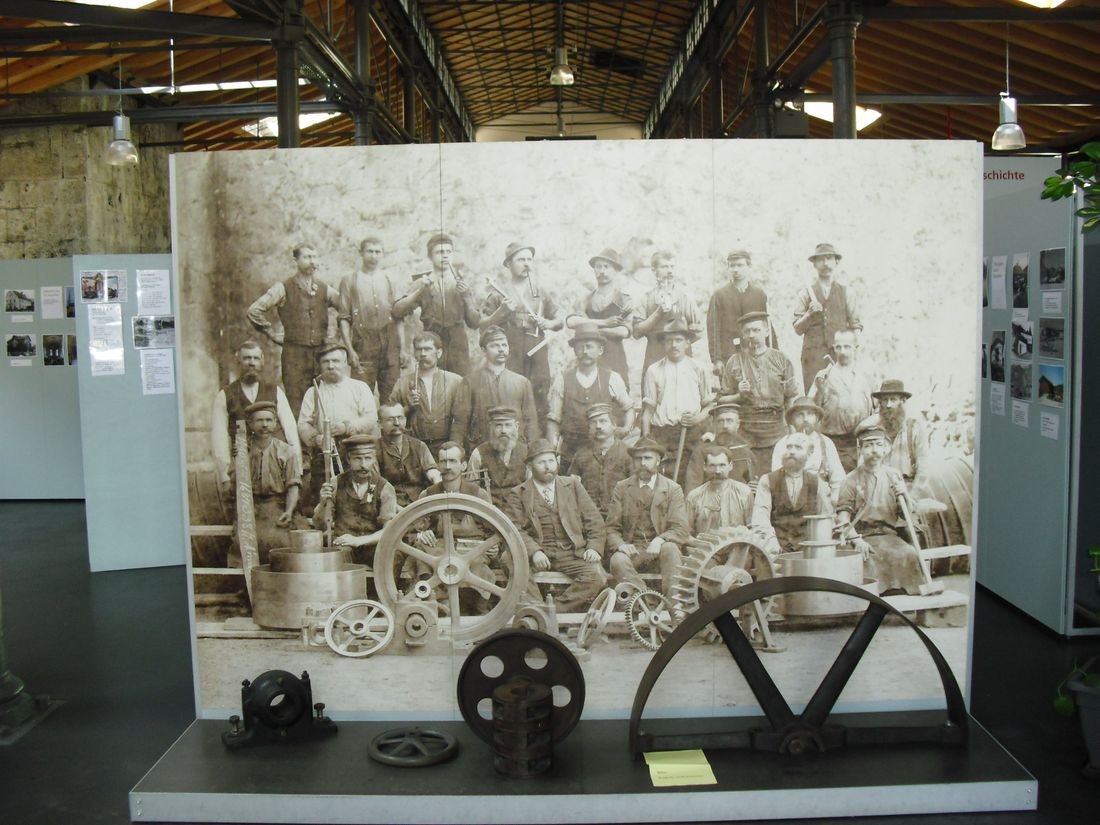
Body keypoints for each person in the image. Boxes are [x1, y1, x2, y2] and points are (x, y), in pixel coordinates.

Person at [505, 439, 608, 612]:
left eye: (551, 461)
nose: (548, 467)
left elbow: (594, 520)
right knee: (509, 559)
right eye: (541, 462)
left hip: (570, 553)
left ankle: (550, 612)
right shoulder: (518, 493)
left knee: (596, 576)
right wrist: (534, 551)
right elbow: (514, 528)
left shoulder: (573, 486)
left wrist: (594, 548)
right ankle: (533, 607)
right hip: (539, 555)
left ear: (557, 462)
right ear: (530, 466)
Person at [246, 243, 342, 415]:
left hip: (321, 355)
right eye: (307, 257)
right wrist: (271, 333)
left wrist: (337, 337)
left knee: (325, 402)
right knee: (296, 404)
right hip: (294, 357)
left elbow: (347, 308)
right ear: (295, 261)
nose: (312, 262)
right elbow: (254, 310)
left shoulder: (323, 289)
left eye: (314, 257)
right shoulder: (283, 288)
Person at [835, 419, 927, 596]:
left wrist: (905, 495)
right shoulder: (851, 480)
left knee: (909, 554)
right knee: (867, 560)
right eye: (868, 446)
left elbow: (906, 514)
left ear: (886, 449)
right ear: (860, 450)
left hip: (888, 535)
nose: (874, 450)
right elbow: (842, 517)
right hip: (862, 536)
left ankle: (903, 598)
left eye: (879, 444)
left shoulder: (893, 475)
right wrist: (856, 539)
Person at [480, 242, 563, 419]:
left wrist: (547, 324)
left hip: (536, 346)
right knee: (510, 392)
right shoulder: (498, 293)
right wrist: (501, 312)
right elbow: (483, 325)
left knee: (540, 390)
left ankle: (538, 440)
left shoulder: (540, 292)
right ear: (508, 264)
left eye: (529, 259)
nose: (526, 263)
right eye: (520, 259)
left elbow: (559, 321)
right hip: (510, 348)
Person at [605, 437, 689, 598]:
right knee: (617, 560)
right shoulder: (622, 488)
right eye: (638, 459)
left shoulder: (672, 489)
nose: (642, 463)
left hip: (660, 552)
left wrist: (660, 540)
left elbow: (680, 528)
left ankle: (675, 607)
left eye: (648, 458)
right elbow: (611, 528)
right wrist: (621, 545)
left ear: (658, 461)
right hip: (633, 550)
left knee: (671, 549)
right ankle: (646, 602)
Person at [296, 343, 378, 508]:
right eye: (326, 361)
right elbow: (303, 424)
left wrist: (346, 427)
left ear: (345, 362)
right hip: (324, 453)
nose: (331, 365)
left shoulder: (359, 388)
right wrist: (317, 438)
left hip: (355, 452)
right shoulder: (313, 392)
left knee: (359, 494)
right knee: (324, 496)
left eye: (335, 361)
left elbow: (371, 418)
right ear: (320, 365)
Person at [209, 339, 299, 486]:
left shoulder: (275, 391)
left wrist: (296, 467)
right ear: (238, 361)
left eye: (256, 358)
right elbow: (219, 436)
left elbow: (290, 429)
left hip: (275, 463)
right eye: (247, 358)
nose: (252, 363)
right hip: (243, 465)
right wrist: (224, 474)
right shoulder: (225, 395)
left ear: (262, 362)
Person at [721, 311, 800, 471]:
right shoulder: (734, 362)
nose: (751, 335)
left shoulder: (781, 360)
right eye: (747, 331)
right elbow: (722, 400)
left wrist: (792, 431)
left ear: (766, 332)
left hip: (776, 430)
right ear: (742, 335)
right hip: (745, 432)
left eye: (756, 330)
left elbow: (790, 398)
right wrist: (738, 395)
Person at [392, 233, 480, 376]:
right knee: (433, 384)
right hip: (431, 341)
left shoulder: (462, 282)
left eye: (448, 252)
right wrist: (419, 291)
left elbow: (475, 322)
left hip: (458, 343)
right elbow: (397, 312)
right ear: (430, 256)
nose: (445, 256)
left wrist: (467, 297)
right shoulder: (422, 281)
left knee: (461, 386)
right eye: (439, 252)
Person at [640, 318, 714, 486]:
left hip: (691, 433)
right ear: (664, 344)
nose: (674, 345)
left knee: (690, 479)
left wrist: (696, 419)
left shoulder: (699, 368)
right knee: (663, 482)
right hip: (662, 434)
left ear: (687, 343)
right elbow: (648, 411)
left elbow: (709, 406)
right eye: (669, 340)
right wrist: (646, 439)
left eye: (679, 340)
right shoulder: (653, 371)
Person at [545, 321, 635, 458]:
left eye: (589, 347)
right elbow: (554, 419)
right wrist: (553, 449)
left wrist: (626, 429)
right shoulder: (562, 379)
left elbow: (629, 408)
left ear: (600, 350)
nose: (585, 351)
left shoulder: (612, 378)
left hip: (604, 450)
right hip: (571, 450)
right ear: (574, 350)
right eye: (580, 347)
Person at [338, 235, 404, 403]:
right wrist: (350, 350)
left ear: (383, 254)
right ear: (361, 253)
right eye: (369, 252)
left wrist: (402, 349)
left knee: (391, 399)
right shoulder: (349, 280)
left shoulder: (390, 279)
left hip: (390, 347)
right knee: (361, 398)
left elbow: (399, 317)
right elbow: (344, 318)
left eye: (378, 252)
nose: (374, 256)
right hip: (363, 348)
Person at [314, 435, 397, 566]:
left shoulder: (385, 488)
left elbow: (389, 530)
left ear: (374, 459)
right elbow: (319, 525)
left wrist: (359, 541)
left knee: (393, 555)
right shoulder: (335, 483)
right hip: (343, 546)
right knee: (336, 554)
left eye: (368, 458)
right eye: (358, 459)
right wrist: (323, 503)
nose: (363, 465)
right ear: (348, 459)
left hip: (372, 545)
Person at [792, 243, 862, 394]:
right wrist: (809, 314)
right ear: (814, 264)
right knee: (815, 400)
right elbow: (797, 329)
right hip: (813, 357)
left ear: (836, 261)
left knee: (842, 396)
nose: (825, 263)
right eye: (821, 260)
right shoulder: (805, 294)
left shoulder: (847, 293)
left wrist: (855, 354)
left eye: (829, 258)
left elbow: (855, 326)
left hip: (840, 354)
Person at [751, 431, 833, 559]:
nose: (792, 451)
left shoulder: (817, 483)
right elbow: (760, 518)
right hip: (774, 549)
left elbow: (825, 520)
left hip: (807, 551)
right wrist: (770, 543)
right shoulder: (767, 480)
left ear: (809, 453)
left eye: (798, 447)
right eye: (789, 447)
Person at [239, 401, 301, 564]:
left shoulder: (286, 451)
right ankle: (247, 585)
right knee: (244, 541)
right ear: (250, 424)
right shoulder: (242, 450)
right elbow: (235, 485)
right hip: (250, 505)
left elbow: (293, 485)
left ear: (275, 423)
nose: (264, 425)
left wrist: (289, 510)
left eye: (268, 420)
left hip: (277, 504)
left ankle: (277, 583)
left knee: (279, 540)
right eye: (259, 420)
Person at [388, 331, 469, 455]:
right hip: (414, 448)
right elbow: (389, 418)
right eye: (419, 350)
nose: (423, 354)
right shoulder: (402, 383)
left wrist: (454, 447)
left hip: (446, 446)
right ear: (414, 353)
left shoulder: (455, 381)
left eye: (427, 349)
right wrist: (408, 407)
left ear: (439, 353)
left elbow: (461, 418)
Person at [461, 325, 539, 451]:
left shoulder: (522, 382)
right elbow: (461, 422)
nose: (501, 349)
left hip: (515, 450)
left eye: (504, 345)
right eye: (494, 346)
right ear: (483, 350)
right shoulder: (469, 382)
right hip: (481, 448)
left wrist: (533, 451)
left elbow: (531, 423)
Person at [811, 329, 878, 471]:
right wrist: (821, 391)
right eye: (838, 347)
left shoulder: (868, 376)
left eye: (847, 347)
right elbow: (812, 412)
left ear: (856, 348)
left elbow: (877, 409)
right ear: (834, 348)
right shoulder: (824, 375)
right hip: (833, 442)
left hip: (860, 442)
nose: (843, 351)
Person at [632, 250, 703, 379]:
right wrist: (658, 313)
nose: (670, 271)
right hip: (655, 354)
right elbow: (636, 332)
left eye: (672, 266)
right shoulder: (646, 298)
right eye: (664, 267)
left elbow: (698, 331)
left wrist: (678, 344)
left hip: (681, 358)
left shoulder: (685, 297)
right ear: (654, 270)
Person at [568, 247, 633, 384]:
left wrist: (590, 328)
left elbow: (624, 331)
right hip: (589, 355)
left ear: (615, 270)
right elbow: (571, 322)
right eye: (598, 267)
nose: (602, 271)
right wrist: (604, 323)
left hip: (614, 355)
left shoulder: (624, 300)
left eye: (606, 267)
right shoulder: (585, 299)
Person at [770, 397, 846, 502]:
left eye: (810, 414)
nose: (805, 419)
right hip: (791, 501)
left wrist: (833, 504)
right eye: (800, 415)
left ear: (816, 418)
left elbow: (838, 480)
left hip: (820, 500)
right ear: (792, 419)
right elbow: (776, 481)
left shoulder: (826, 443)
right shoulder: (782, 444)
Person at [566, 403, 634, 518]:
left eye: (603, 421)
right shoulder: (580, 456)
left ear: (614, 425)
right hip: (589, 518)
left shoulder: (628, 454)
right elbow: (571, 490)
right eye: (593, 422)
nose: (598, 426)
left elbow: (635, 490)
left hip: (620, 517)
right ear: (589, 428)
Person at [706, 249, 773, 368]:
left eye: (740, 265)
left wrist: (774, 353)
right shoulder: (719, 296)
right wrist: (716, 360)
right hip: (729, 356)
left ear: (749, 266)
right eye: (732, 266)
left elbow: (767, 326)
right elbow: (713, 330)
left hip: (756, 354)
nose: (736, 269)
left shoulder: (759, 294)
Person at [375, 402, 442, 506]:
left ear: (405, 420)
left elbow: (431, 470)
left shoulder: (419, 446)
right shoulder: (374, 450)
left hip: (420, 502)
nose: (397, 423)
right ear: (379, 424)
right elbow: (374, 485)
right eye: (390, 419)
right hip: (389, 505)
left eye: (400, 418)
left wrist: (437, 480)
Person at [683, 401, 755, 493]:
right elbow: (692, 487)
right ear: (713, 424)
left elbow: (755, 484)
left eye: (729, 421)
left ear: (738, 424)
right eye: (720, 421)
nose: (725, 426)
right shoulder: (701, 451)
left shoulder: (745, 451)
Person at [868, 379, 929, 486]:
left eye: (893, 399)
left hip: (907, 485)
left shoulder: (914, 427)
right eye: (885, 400)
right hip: (878, 487)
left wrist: (912, 498)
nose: (888, 405)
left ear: (903, 401)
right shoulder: (874, 427)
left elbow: (924, 470)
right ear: (880, 403)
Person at [467, 407, 529, 511]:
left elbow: (531, 491)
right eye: (498, 425)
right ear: (491, 427)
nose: (503, 431)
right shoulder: (478, 453)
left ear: (516, 427)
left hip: (520, 514)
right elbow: (471, 491)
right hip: (490, 515)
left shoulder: (527, 453)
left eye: (508, 425)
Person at [684, 446, 755, 536]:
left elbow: (753, 528)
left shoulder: (744, 492)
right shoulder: (694, 496)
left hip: (738, 548)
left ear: (730, 466)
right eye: (712, 466)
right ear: (705, 467)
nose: (717, 471)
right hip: (704, 548)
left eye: (722, 465)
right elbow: (686, 533)